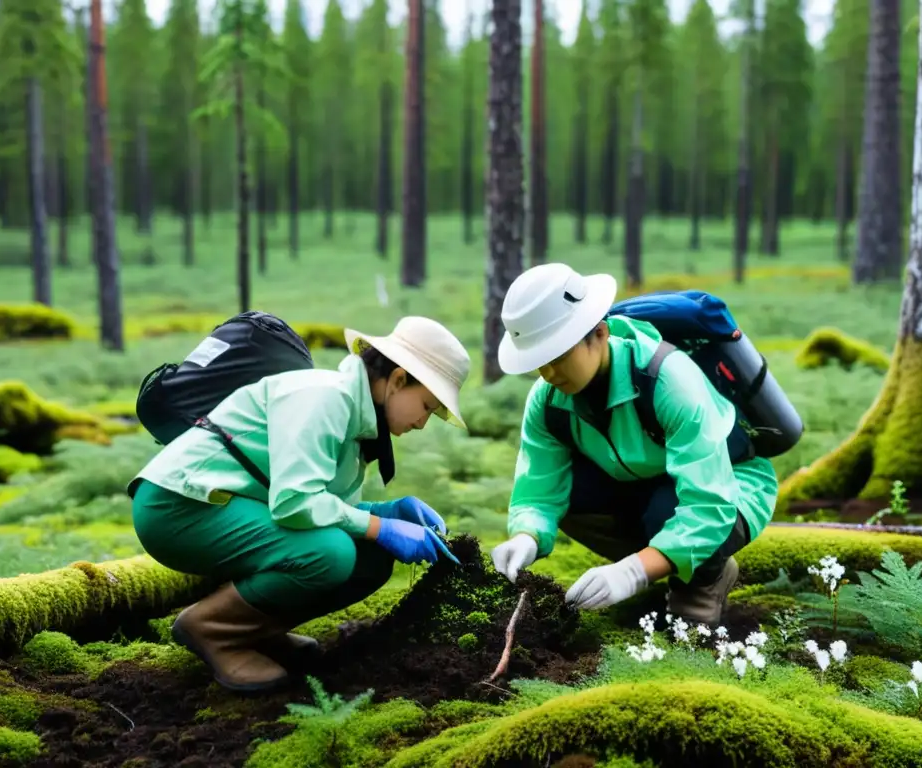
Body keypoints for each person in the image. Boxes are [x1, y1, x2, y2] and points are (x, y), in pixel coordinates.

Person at [127, 316, 470, 693]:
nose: (423, 423)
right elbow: (296, 504)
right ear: (399, 380)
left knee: (369, 557)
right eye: (426, 405)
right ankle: (213, 630)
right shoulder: (326, 398)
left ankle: (260, 632)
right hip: (180, 505)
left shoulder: (356, 420)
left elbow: (323, 506)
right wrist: (380, 526)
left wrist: (384, 513)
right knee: (331, 552)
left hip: (226, 505)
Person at [489, 263, 778, 628]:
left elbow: (709, 505)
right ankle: (668, 559)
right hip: (643, 481)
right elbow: (540, 490)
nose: (548, 374)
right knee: (570, 494)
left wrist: (631, 573)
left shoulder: (669, 380)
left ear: (599, 334)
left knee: (668, 513)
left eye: (558, 356)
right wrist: (526, 536)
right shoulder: (547, 401)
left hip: (730, 487)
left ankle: (703, 580)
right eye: (538, 363)